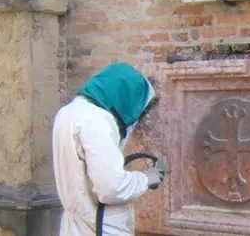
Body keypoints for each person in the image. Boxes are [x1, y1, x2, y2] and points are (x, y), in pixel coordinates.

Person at [52, 62, 167, 236]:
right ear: (124, 94)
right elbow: (111, 188)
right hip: (99, 228)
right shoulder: (97, 121)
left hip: (75, 226)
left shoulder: (69, 112)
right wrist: (146, 178)